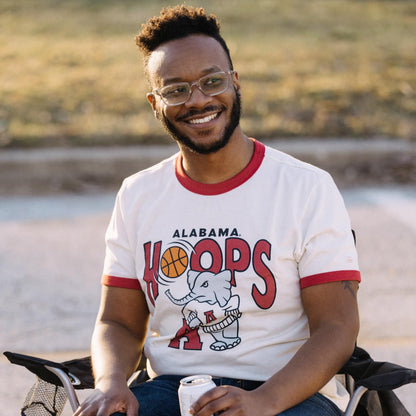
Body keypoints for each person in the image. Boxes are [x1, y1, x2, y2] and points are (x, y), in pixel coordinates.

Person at [74, 5, 360, 416]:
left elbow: (337, 327)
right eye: (176, 90)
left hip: (287, 392)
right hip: (175, 389)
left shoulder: (306, 188)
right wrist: (111, 384)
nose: (199, 100)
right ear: (155, 104)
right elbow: (116, 323)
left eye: (212, 81)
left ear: (235, 83)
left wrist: (264, 401)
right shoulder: (138, 194)